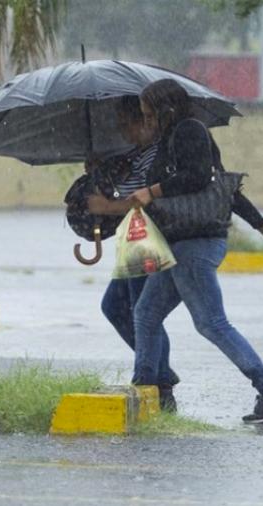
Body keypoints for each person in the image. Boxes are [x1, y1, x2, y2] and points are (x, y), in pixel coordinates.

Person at [123, 78, 263, 424]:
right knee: (146, 314)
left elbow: (201, 178)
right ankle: (145, 389)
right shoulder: (170, 140)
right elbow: (225, 187)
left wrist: (152, 191)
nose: (147, 120)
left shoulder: (189, 131)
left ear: (164, 108)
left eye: (149, 113)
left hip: (197, 242)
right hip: (180, 243)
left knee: (211, 323)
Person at [83, 95, 181, 411]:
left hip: (149, 239)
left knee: (144, 313)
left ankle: (158, 381)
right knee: (117, 306)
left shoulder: (157, 155)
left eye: (129, 125)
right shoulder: (138, 155)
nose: (124, 132)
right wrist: (99, 171)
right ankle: (160, 372)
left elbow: (141, 200)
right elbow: (128, 191)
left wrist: (105, 206)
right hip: (134, 239)